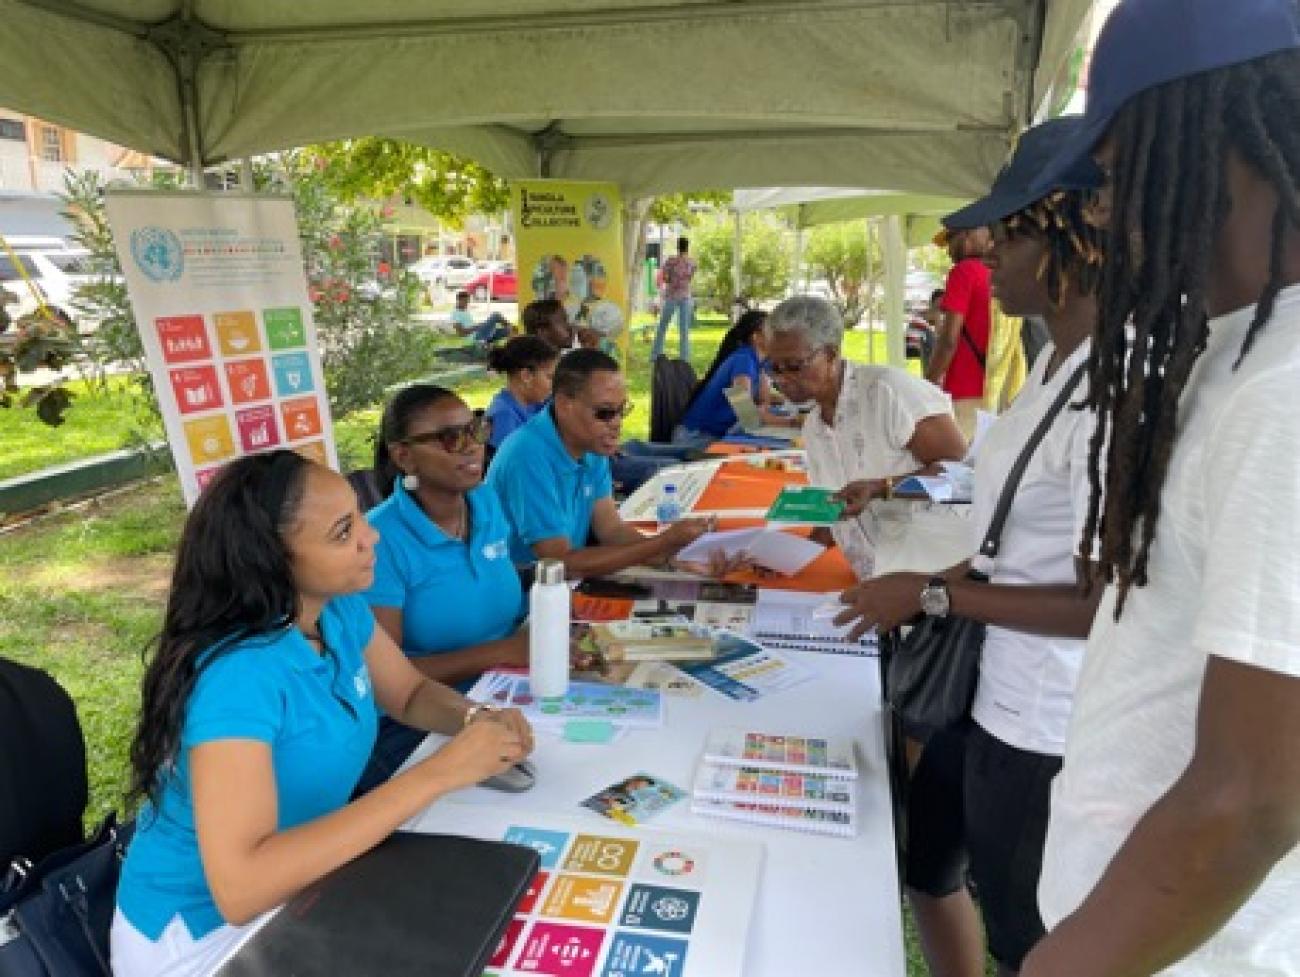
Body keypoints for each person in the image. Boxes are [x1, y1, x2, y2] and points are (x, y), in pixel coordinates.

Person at [1017, 2, 1300, 975]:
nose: (1100, 208)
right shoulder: (1226, 351)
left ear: (1213, 136)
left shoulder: (1286, 390)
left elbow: (1251, 794)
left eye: (1112, 167)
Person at [835, 116, 1108, 977]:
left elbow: (1103, 601)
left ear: (1075, 231)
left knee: (1032, 936)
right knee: (933, 865)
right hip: (991, 695)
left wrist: (933, 594)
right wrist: (927, 580)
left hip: (1045, 721)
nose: (986, 253)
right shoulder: (1055, 370)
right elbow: (1008, 547)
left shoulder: (1115, 384)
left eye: (1009, 232)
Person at [113, 451, 533, 977]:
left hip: (305, 889)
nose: (370, 536)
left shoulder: (334, 606)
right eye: (342, 533)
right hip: (209, 938)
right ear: (274, 560)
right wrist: (441, 774)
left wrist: (475, 719)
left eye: (358, 515)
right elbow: (242, 889)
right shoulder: (238, 677)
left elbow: (407, 693)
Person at [355, 385, 531, 792]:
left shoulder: (484, 502)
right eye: (451, 438)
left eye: (476, 430)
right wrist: (504, 651)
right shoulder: (380, 540)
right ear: (403, 456)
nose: (471, 448)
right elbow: (391, 678)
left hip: (506, 689)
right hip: (423, 718)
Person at [764, 295, 967, 579]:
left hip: (937, 576)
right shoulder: (815, 427)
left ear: (831, 354)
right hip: (879, 584)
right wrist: (787, 556)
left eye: (795, 366)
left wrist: (883, 488)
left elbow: (963, 481)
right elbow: (837, 510)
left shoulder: (888, 391)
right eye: (774, 367)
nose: (782, 379)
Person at [487, 349, 712, 577]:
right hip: (524, 599)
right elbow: (560, 562)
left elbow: (612, 530)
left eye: (621, 410)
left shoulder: (590, 444)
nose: (616, 423)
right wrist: (662, 544)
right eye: (605, 412)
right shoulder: (527, 455)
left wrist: (679, 556)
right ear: (565, 404)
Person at [674, 310, 795, 444]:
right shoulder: (743, 360)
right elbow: (746, 412)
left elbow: (762, 400)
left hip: (714, 433)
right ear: (756, 337)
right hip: (696, 437)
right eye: (774, 331)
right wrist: (793, 422)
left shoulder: (758, 360)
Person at [927, 227, 993, 438]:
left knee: (962, 464)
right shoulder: (997, 271)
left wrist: (928, 383)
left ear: (966, 236)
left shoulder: (964, 271)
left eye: (950, 241)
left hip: (966, 389)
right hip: (996, 385)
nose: (948, 251)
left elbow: (948, 339)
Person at [485, 336, 560, 450]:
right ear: (526, 376)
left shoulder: (536, 403)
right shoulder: (503, 416)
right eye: (550, 377)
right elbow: (510, 463)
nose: (555, 384)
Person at [652, 236, 696, 361]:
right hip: (685, 297)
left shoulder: (670, 261)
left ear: (678, 247)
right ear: (687, 247)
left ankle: (655, 355)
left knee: (662, 326)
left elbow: (665, 278)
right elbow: (689, 278)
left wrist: (672, 279)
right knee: (684, 330)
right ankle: (684, 358)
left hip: (671, 295)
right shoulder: (692, 262)